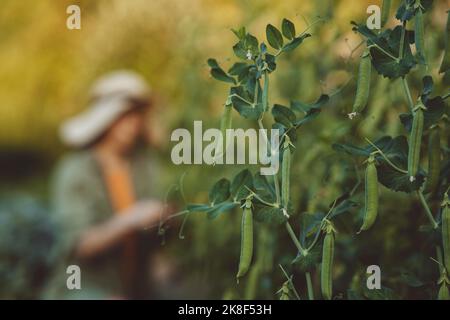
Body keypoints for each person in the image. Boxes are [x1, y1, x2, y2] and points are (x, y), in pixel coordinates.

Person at [45, 71, 170, 299]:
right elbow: (80, 245)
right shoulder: (75, 170)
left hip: (135, 285)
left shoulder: (145, 164)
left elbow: (165, 217)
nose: (133, 123)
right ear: (106, 118)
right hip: (81, 285)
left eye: (137, 116)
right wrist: (130, 219)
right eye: (124, 115)